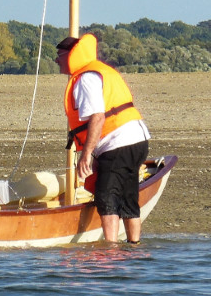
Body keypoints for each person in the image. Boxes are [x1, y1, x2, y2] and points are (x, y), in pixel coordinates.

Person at [56, 33, 151, 244]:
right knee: (128, 196)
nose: (55, 61)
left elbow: (98, 118)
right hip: (137, 139)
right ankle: (133, 246)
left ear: (70, 55)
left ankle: (111, 250)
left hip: (119, 141)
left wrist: (86, 155)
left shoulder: (86, 78)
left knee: (107, 197)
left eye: (59, 55)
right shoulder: (100, 71)